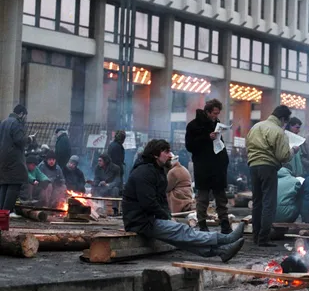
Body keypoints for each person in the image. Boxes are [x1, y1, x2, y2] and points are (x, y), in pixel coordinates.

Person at [122, 139, 245, 262]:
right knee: (182, 231)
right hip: (140, 221)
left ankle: (222, 251)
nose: (170, 155)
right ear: (155, 155)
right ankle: (225, 239)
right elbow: (148, 203)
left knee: (181, 239)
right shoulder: (143, 172)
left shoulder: (157, 171)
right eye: (166, 152)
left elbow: (162, 199)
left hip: (148, 218)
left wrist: (167, 215)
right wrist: (166, 217)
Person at [246, 105, 299, 247]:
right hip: (268, 167)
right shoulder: (278, 132)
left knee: (257, 203)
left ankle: (256, 236)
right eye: (285, 122)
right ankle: (263, 239)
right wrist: (293, 150)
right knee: (269, 203)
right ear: (282, 119)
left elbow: (248, 146)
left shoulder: (256, 127)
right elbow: (283, 156)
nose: (284, 124)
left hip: (253, 166)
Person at [185, 99, 231, 234]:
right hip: (203, 166)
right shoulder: (193, 126)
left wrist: (224, 161)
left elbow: (219, 144)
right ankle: (202, 225)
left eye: (218, 113)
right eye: (214, 113)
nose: (216, 116)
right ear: (207, 112)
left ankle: (225, 224)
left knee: (221, 198)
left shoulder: (216, 124)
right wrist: (207, 137)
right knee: (203, 198)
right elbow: (190, 146)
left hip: (217, 167)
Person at [0, 104, 31, 212]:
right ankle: (5, 214)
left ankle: (1, 214)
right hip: (14, 160)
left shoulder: (3, 122)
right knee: (14, 185)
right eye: (25, 116)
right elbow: (20, 140)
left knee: (4, 185)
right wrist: (30, 139)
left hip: (3, 160)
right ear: (21, 114)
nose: (25, 119)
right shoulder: (16, 123)